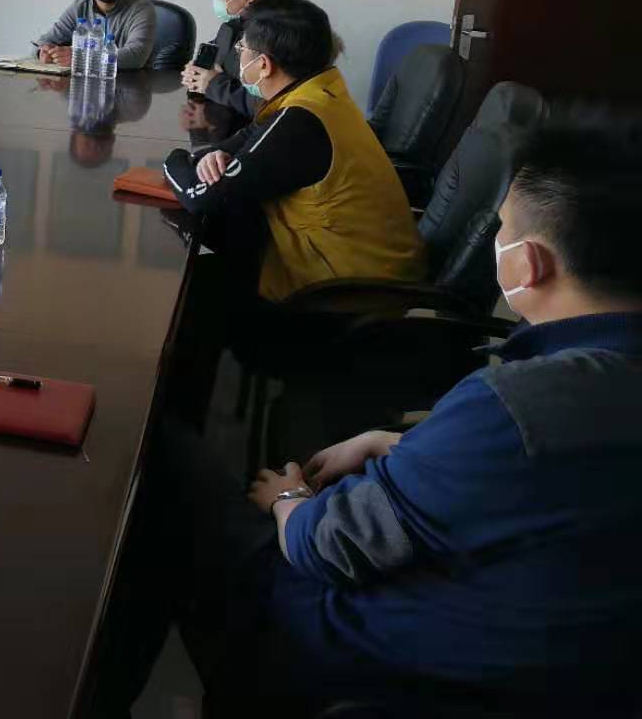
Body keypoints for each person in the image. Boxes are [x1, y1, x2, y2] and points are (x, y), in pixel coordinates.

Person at [98, 113, 642, 716]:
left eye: (503, 229)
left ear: (527, 263)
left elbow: (324, 543)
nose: (499, 240)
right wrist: (396, 443)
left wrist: (285, 499)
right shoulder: (577, 392)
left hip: (356, 652)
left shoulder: (513, 406)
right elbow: (543, 488)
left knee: (150, 454)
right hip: (553, 667)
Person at [163, 0, 423, 304]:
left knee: (186, 287)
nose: (238, 56)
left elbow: (203, 199)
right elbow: (239, 143)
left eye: (241, 49)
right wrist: (208, 158)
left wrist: (175, 159)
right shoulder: (318, 92)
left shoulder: (299, 122)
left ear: (263, 65)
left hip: (346, 294)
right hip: (354, 267)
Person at [180, 0, 281, 123]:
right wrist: (197, 76)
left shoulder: (278, 35)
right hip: (217, 122)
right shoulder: (231, 27)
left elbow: (269, 105)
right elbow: (212, 73)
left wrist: (214, 84)